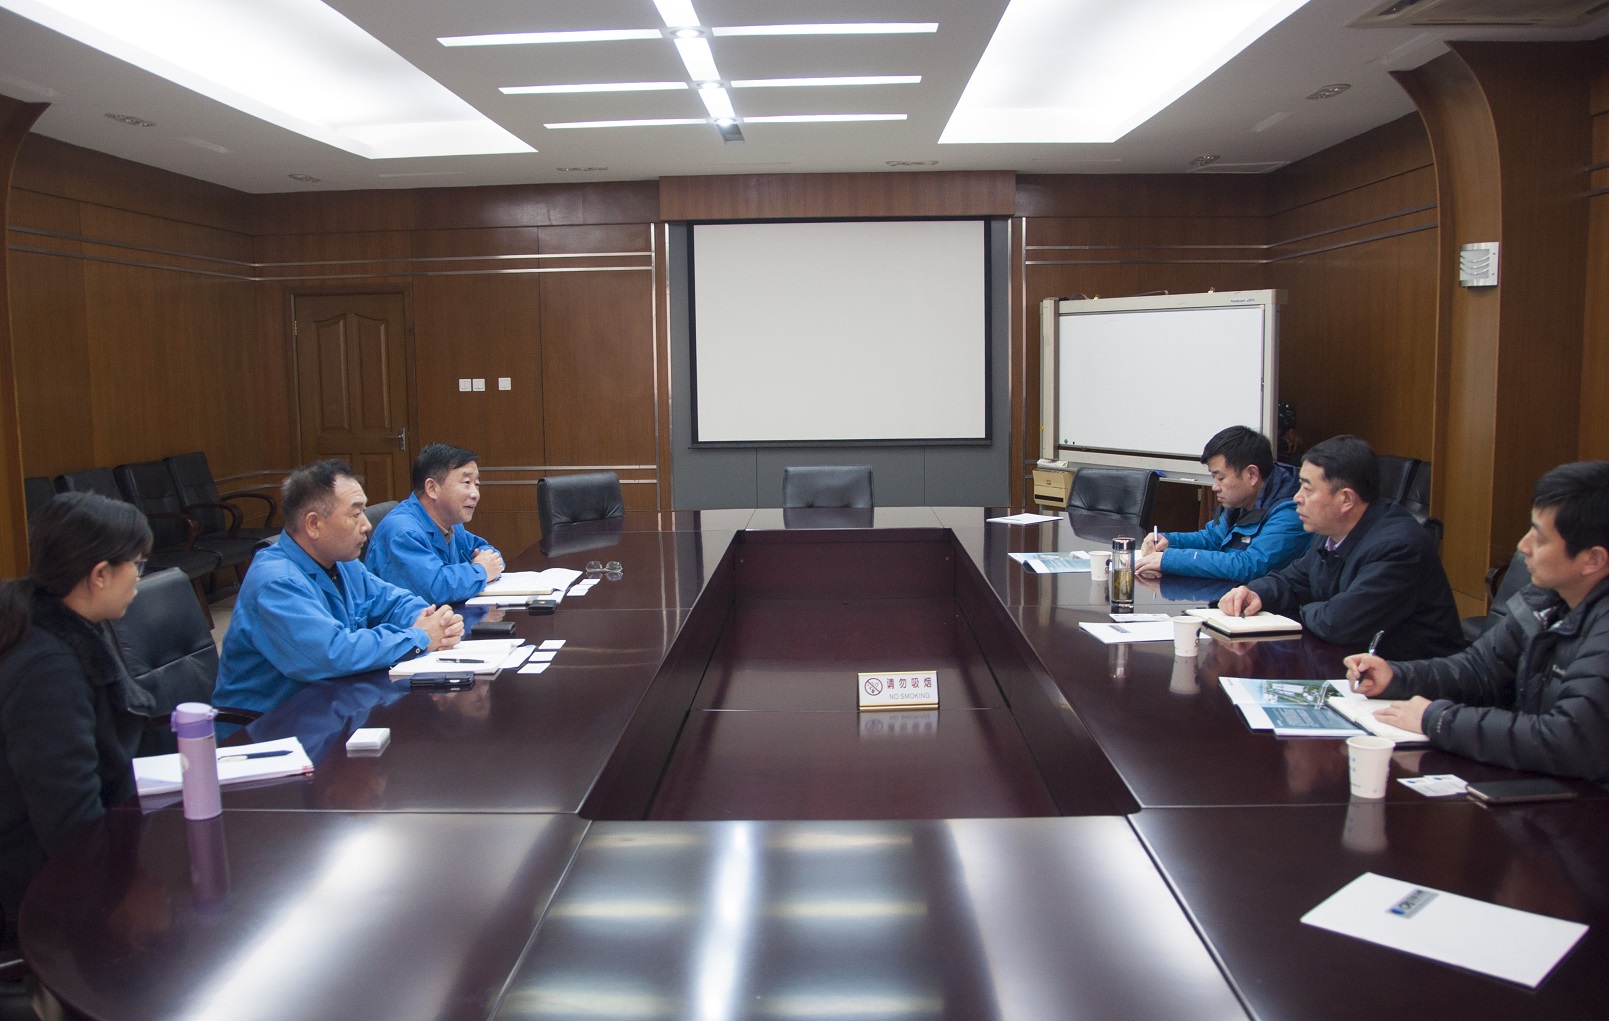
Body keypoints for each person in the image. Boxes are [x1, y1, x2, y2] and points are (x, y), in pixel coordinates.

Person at [1346, 461, 1609, 782]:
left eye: (1539, 539)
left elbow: (1569, 740)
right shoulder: (1547, 597)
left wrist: (1439, 720)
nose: (1522, 546)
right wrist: (1398, 677)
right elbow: (1481, 669)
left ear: (1593, 559)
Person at [0, 492, 155, 944]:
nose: (139, 579)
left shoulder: (61, 621)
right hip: (33, 884)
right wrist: (118, 898)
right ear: (100, 574)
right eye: (137, 565)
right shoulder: (48, 671)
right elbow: (67, 817)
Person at [212, 460, 464, 717]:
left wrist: (430, 619)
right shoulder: (276, 582)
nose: (366, 525)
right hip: (269, 725)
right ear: (314, 524)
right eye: (355, 514)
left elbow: (390, 600)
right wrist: (419, 636)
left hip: (330, 706)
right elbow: (332, 653)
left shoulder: (342, 562)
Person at [1217, 434, 1463, 660]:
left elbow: (1337, 623)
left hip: (1413, 681)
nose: (1297, 498)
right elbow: (1294, 580)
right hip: (1352, 666)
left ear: (1346, 499)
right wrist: (1256, 592)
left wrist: (1296, 611)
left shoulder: (1398, 547)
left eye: (1307, 489)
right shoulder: (1331, 531)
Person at [1136, 425, 1308, 582]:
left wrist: (1170, 559)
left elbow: (1250, 565)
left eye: (1220, 478)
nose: (1215, 487)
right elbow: (1213, 539)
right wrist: (1169, 540)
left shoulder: (1293, 511)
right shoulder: (1241, 502)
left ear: (1252, 474)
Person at [365, 443, 504, 603]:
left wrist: (487, 563)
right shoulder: (403, 533)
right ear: (432, 488)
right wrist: (481, 570)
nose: (475, 494)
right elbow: (434, 589)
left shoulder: (450, 522)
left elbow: (487, 551)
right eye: (467, 482)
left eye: (477, 484)